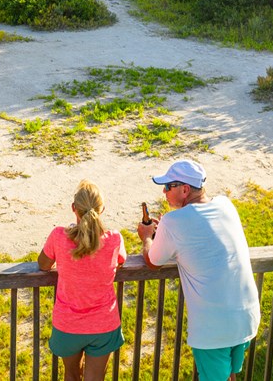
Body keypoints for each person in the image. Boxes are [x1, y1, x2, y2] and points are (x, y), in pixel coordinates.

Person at [136, 160, 260, 381]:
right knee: (230, 375)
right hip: (245, 317)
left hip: (214, 328)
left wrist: (147, 236)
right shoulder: (225, 204)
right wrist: (167, 228)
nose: (164, 191)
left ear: (185, 189)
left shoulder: (174, 221)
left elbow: (152, 262)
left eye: (168, 186)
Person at [38, 179, 127, 381]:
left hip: (67, 324)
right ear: (102, 209)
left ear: (73, 209)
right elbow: (121, 260)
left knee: (71, 375)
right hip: (103, 323)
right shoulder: (114, 239)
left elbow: (43, 264)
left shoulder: (59, 236)